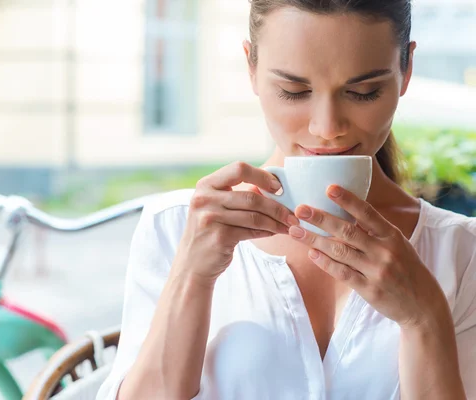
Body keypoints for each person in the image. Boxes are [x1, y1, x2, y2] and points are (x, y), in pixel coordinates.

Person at [97, 1, 476, 399]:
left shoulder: (461, 253)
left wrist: (425, 318)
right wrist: (192, 276)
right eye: (293, 91)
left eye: (363, 92)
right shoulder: (174, 228)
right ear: (252, 68)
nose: (326, 128)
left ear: (406, 70)